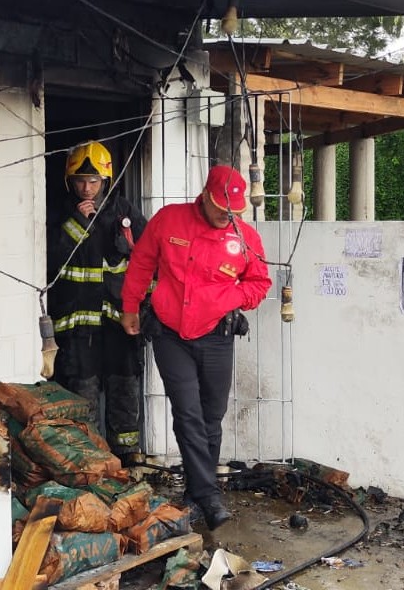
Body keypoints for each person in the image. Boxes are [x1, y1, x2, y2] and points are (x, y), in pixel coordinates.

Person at [119, 165, 272, 530]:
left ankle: (195, 492)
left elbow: (260, 283)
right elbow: (141, 263)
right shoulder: (169, 220)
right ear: (204, 197)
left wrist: (229, 296)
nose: (226, 217)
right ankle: (210, 496)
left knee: (210, 417)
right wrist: (129, 306)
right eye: (221, 209)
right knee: (187, 413)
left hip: (217, 336)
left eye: (233, 212)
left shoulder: (244, 237)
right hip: (171, 333)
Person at [47, 140, 147, 457]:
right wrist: (78, 224)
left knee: (124, 389)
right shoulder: (58, 212)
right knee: (81, 394)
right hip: (78, 327)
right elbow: (50, 257)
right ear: (69, 181)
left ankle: (127, 457)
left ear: (105, 180)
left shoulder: (124, 212)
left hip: (119, 323)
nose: (87, 188)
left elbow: (147, 258)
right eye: (80, 180)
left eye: (93, 181)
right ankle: (88, 459)